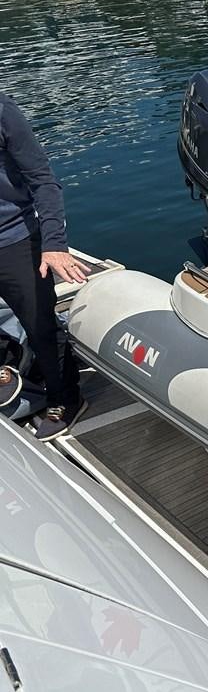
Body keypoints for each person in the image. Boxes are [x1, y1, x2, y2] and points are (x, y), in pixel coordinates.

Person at [0, 94, 88, 440]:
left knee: (41, 327)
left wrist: (53, 244)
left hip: (15, 238)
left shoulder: (4, 112)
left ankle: (65, 397)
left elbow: (42, 179)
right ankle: (9, 366)